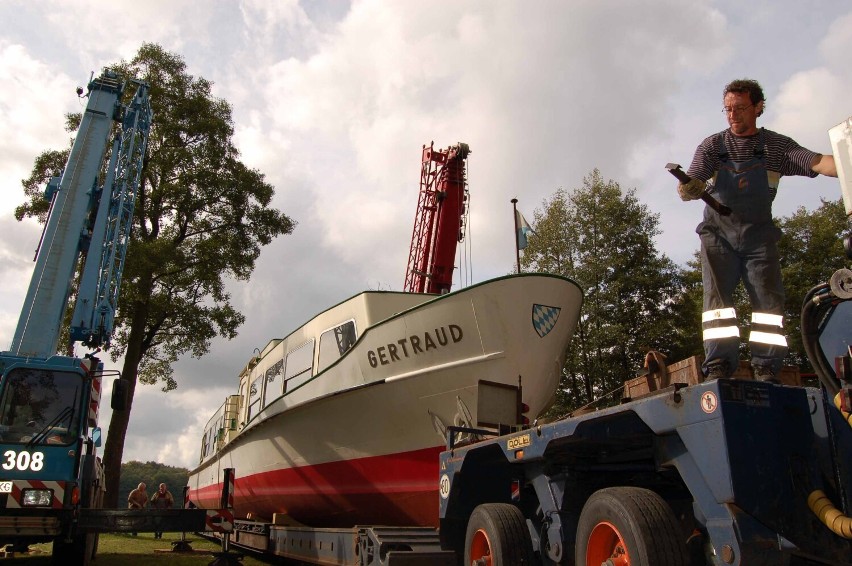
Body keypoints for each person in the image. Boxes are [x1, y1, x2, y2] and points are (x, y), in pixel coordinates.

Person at [678, 78, 837, 382]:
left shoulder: (776, 147)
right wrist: (688, 188)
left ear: (758, 107)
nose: (732, 115)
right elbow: (690, 181)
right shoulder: (713, 146)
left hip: (759, 238)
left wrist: (846, 161)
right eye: (727, 109)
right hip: (718, 236)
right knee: (717, 306)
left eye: (739, 108)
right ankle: (719, 368)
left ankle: (766, 368)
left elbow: (817, 162)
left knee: (768, 305)